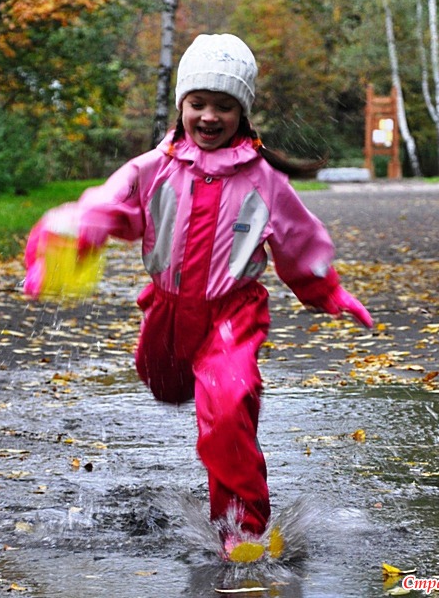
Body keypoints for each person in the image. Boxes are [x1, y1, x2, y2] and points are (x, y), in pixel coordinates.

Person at [24, 33, 372, 560]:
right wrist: (59, 249)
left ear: (243, 112)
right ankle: (198, 397)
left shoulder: (264, 179)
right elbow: (103, 208)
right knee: (167, 386)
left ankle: (242, 527)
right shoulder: (153, 168)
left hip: (233, 312)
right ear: (182, 105)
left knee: (229, 404)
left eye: (225, 106)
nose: (210, 116)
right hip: (166, 311)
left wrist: (329, 292)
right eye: (199, 104)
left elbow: (301, 238)